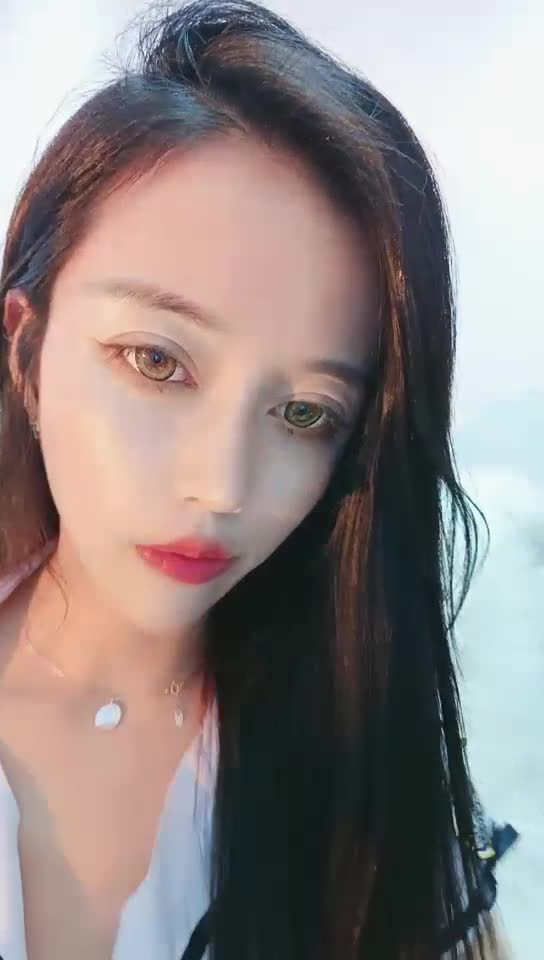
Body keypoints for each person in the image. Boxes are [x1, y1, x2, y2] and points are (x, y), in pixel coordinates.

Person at [0, 1, 517, 958]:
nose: (222, 485)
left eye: (305, 413)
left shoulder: (376, 809)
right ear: (27, 349)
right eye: (157, 361)